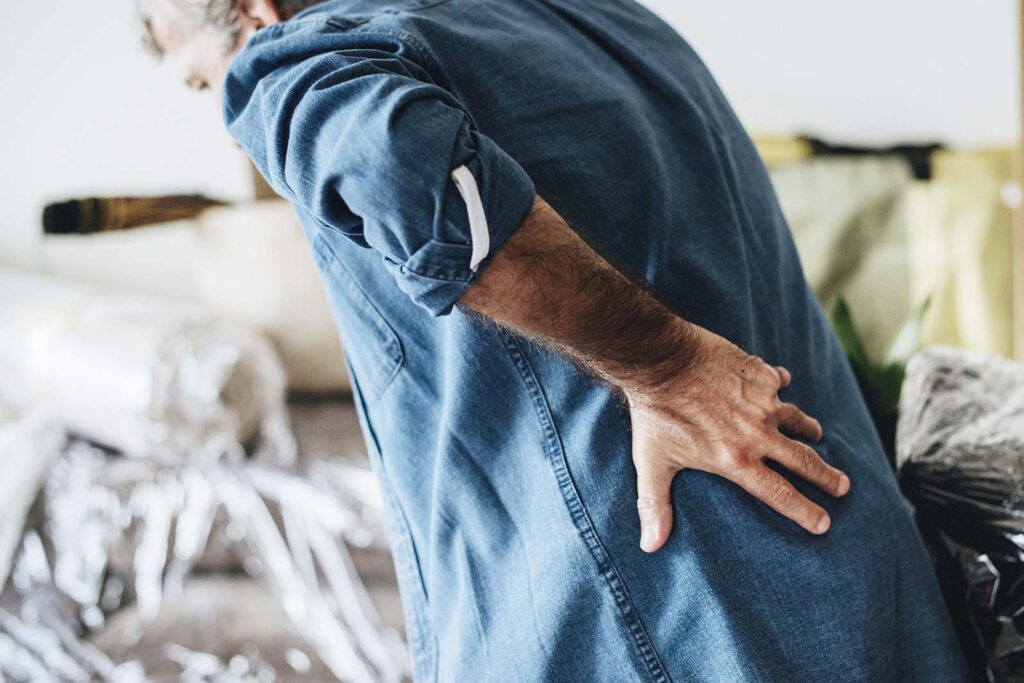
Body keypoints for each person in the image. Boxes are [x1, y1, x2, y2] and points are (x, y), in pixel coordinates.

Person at [138, 0, 970, 680]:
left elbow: (396, 163)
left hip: (676, 620)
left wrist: (666, 363)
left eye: (203, 78)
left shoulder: (301, 59)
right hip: (858, 587)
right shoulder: (604, 20)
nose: (223, 100)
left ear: (255, 13)